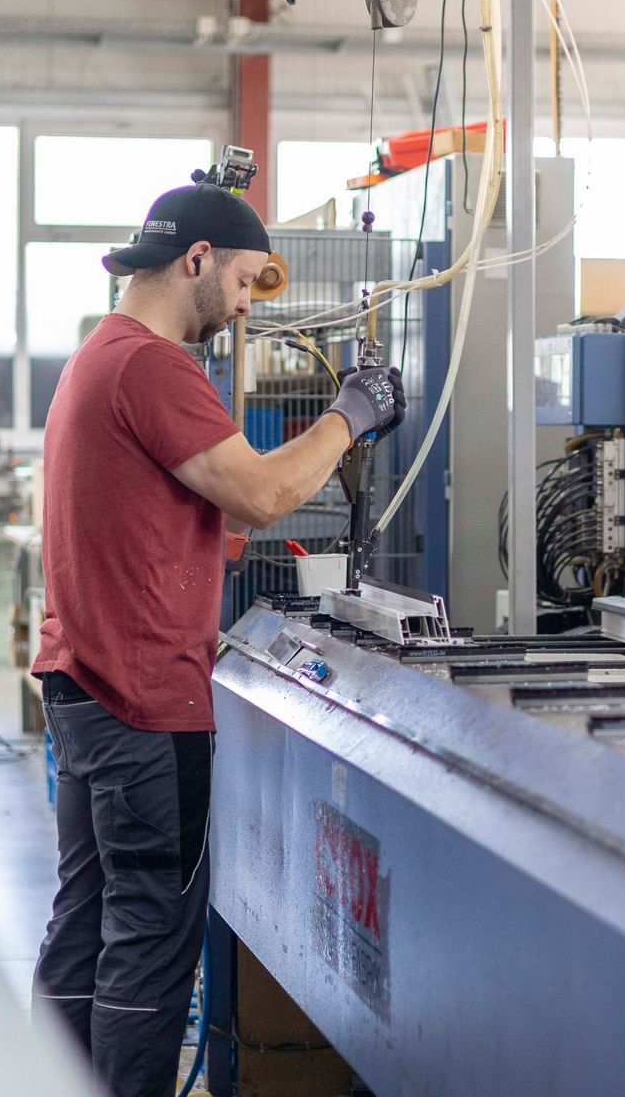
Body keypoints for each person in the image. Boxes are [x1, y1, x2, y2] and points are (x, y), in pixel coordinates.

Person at [29, 181, 404, 1097]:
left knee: (87, 919)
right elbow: (265, 493)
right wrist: (348, 415)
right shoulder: (155, 366)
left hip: (85, 687)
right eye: (241, 281)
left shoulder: (98, 355)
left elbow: (159, 513)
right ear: (195, 259)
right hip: (144, 700)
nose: (244, 306)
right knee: (151, 937)